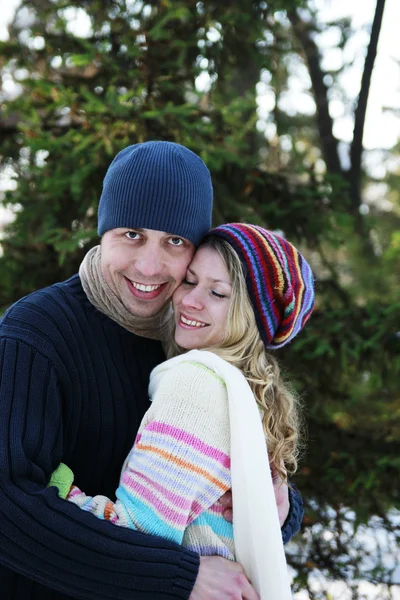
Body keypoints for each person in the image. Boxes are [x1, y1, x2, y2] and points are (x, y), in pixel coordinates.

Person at [0, 141, 303, 600]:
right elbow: (8, 506)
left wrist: (277, 503)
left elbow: (206, 502)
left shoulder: (194, 342)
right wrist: (178, 577)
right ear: (102, 231)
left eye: (175, 242)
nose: (149, 265)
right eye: (131, 234)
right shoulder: (36, 334)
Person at [50, 222, 314, 599]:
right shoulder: (244, 387)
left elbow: (135, 534)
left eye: (218, 293)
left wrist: (54, 483)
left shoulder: (196, 383)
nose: (190, 301)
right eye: (190, 281)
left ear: (250, 317)